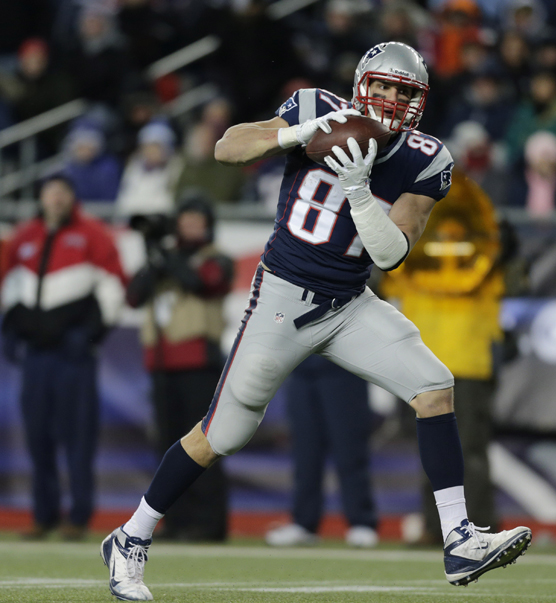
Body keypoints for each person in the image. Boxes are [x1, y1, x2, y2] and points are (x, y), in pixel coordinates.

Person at [100, 41, 531, 601]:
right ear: (361, 84)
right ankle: (131, 536)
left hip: (350, 304)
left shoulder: (426, 158)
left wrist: (358, 191)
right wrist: (295, 136)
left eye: (404, 91)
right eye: (382, 86)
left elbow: (389, 253)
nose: (391, 99)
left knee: (434, 386)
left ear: (420, 100)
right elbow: (227, 149)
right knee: (222, 433)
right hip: (282, 296)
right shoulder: (314, 108)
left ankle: (458, 538)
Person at [381, 166, 504, 544]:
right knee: (437, 451)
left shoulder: (488, 255)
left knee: (466, 451)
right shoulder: (476, 253)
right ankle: (440, 531)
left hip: (456, 364)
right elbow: (382, 273)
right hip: (430, 363)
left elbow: (515, 279)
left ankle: (478, 527)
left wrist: (504, 252)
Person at [0, 175, 126, 540]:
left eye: (62, 192)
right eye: (49, 192)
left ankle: (79, 516)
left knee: (78, 437)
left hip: (73, 357)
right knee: (38, 437)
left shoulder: (93, 233)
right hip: (36, 356)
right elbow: (10, 285)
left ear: (72, 197)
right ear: (40, 197)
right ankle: (44, 515)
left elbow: (113, 285)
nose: (55, 198)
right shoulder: (24, 235)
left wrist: (91, 333)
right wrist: (10, 330)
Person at [125, 194, 233, 542]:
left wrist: (166, 257)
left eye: (196, 219)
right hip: (161, 363)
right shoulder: (166, 259)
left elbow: (202, 283)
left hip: (200, 362)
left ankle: (209, 524)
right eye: (183, 219)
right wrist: (154, 257)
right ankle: (175, 521)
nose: (189, 226)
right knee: (168, 449)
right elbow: (133, 296)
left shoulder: (215, 258)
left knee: (204, 447)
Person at [264, 356, 378, 548]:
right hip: (300, 367)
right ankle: (304, 523)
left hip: (344, 366)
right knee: (305, 452)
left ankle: (361, 521)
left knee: (349, 449)